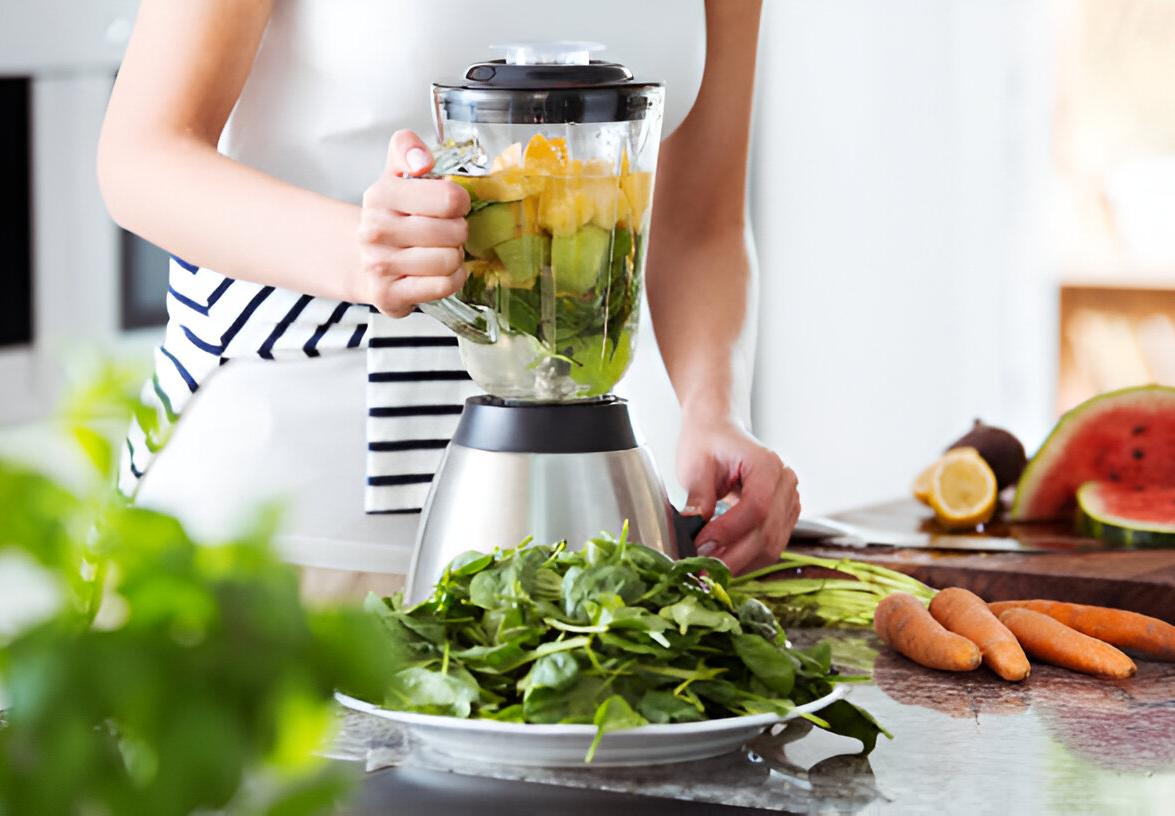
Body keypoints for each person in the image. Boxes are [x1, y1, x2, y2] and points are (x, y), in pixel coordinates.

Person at [97, 0, 800, 600]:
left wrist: (714, 411)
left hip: (573, 532)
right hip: (283, 529)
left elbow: (699, 222)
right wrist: (360, 252)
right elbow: (139, 158)